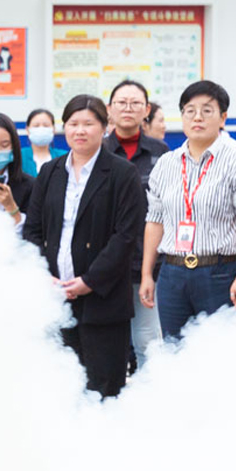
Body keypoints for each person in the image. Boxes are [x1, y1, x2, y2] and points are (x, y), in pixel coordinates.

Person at [22, 95, 145, 397]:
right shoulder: (50, 172)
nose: (80, 130)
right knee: (61, 388)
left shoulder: (121, 173)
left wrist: (90, 281)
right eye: (73, 123)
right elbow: (33, 229)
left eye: (88, 123)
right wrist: (42, 275)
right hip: (55, 297)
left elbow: (126, 236)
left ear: (104, 127)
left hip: (103, 300)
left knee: (103, 388)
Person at [140, 81, 236, 341]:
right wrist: (147, 274)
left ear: (223, 117)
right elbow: (154, 221)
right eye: (190, 110)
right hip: (172, 273)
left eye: (207, 110)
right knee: (175, 352)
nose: (197, 117)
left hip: (219, 273)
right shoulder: (166, 164)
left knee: (220, 356)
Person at [103, 79, 170, 369]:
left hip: (149, 262)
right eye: (121, 102)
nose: (128, 108)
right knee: (110, 342)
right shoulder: (98, 149)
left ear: (146, 110)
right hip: (106, 263)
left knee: (147, 341)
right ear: (109, 109)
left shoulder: (161, 151)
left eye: (135, 103)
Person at [22, 108, 66, 177]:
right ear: (27, 130)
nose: (41, 129)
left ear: (53, 129)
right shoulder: (19, 156)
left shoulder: (63, 156)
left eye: (46, 126)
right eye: (36, 126)